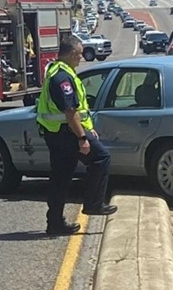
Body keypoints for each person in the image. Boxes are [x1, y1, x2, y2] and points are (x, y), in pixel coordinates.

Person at [35, 37, 117, 235]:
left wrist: (88, 128)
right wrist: (83, 138)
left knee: (60, 177)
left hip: (55, 133)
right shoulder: (62, 78)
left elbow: (79, 111)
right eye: (79, 54)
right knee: (101, 158)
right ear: (71, 54)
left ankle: (54, 223)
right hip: (67, 133)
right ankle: (94, 203)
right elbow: (70, 111)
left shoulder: (55, 71)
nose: (81, 58)